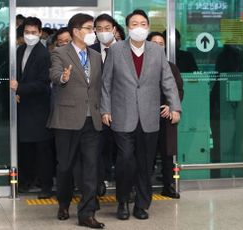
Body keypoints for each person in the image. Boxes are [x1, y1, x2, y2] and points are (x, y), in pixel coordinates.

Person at [101, 9, 181, 220]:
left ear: (147, 27)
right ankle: (122, 201)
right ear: (127, 28)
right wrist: (105, 109)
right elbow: (106, 83)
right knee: (125, 160)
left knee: (146, 164)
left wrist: (175, 107)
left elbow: (168, 80)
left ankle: (141, 205)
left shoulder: (156, 50)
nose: (139, 27)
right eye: (134, 24)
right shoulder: (116, 50)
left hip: (148, 117)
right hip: (122, 116)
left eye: (143, 24)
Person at [48, 13, 104, 229]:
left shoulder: (96, 56)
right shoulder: (60, 53)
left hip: (92, 119)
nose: (93, 32)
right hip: (67, 119)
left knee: (91, 167)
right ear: (76, 31)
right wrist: (63, 77)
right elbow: (54, 75)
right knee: (65, 166)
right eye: (89, 28)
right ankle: (63, 203)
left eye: (94, 29)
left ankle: (87, 214)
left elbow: (98, 87)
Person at [10, 17, 54, 198]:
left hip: (39, 109)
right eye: (27, 32)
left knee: (42, 149)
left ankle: (46, 186)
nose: (30, 35)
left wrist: (20, 88)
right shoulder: (19, 50)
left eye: (33, 32)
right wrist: (17, 91)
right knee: (25, 148)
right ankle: (26, 181)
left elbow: (43, 84)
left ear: (40, 32)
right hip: (23, 107)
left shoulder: (44, 54)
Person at [147, 31, 184, 199]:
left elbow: (178, 90)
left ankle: (168, 186)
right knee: (147, 154)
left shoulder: (171, 67)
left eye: (161, 43)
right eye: (154, 42)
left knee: (167, 154)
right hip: (146, 116)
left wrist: (171, 106)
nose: (157, 45)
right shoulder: (142, 66)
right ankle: (144, 187)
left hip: (166, 117)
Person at [90, 13, 118, 197]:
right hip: (95, 110)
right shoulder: (89, 50)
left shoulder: (125, 50)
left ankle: (125, 187)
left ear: (114, 30)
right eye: (99, 29)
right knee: (96, 151)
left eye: (107, 28)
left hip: (121, 110)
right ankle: (98, 183)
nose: (103, 32)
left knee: (122, 151)